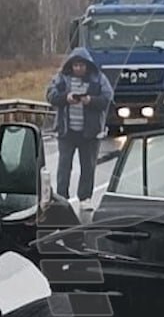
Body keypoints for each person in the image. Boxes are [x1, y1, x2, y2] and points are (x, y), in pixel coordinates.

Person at [46, 48, 114, 209]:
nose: (78, 69)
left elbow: (107, 98)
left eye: (81, 65)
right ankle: (62, 198)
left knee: (88, 166)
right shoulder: (62, 78)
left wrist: (90, 100)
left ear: (87, 66)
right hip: (66, 131)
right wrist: (65, 98)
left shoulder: (98, 79)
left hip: (90, 132)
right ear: (71, 65)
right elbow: (50, 95)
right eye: (75, 65)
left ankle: (85, 198)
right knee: (63, 167)